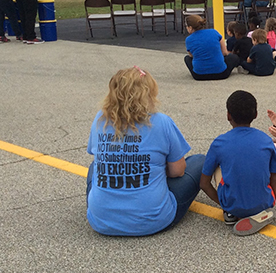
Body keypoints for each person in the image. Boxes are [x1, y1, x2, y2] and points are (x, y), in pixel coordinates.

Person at [86, 67, 204, 236]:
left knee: (94, 168)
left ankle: (107, 207)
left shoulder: (100, 119)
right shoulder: (161, 122)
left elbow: (95, 155)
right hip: (153, 221)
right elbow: (177, 171)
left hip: (100, 221)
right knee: (199, 161)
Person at [199, 90, 276, 235]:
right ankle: (260, 212)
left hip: (232, 206)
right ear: (255, 115)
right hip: (264, 204)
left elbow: (204, 183)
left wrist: (225, 205)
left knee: (217, 166)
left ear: (228, 115)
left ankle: (231, 213)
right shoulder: (265, 140)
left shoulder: (219, 143)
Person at [185, 15, 239, 80]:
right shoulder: (214, 32)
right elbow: (224, 53)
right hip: (221, 73)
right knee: (233, 57)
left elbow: (191, 56)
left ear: (190, 28)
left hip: (199, 76)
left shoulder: (189, 39)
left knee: (187, 58)